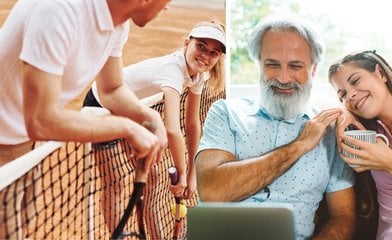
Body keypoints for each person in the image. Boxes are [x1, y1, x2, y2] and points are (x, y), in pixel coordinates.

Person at [0, 0, 170, 239]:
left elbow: (111, 89)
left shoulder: (118, 24)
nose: (167, 7)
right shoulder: (58, 10)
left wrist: (149, 116)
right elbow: (41, 120)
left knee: (23, 224)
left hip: (24, 143)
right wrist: (126, 127)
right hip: (6, 140)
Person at [195, 14, 356, 240]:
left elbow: (344, 216)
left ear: (313, 70)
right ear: (259, 64)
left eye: (295, 66)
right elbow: (212, 191)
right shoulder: (225, 114)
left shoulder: (331, 131)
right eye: (272, 64)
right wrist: (299, 145)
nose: (282, 77)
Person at [83, 20, 226, 238]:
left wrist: (192, 173)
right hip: (102, 106)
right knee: (116, 182)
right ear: (186, 43)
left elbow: (192, 123)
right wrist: (181, 175)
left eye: (214, 52)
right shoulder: (172, 71)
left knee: (152, 177)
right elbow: (172, 130)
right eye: (201, 46)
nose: (206, 55)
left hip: (134, 110)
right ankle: (117, 235)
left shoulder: (199, 74)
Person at [328, 50, 392, 240]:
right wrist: (343, 112)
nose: (351, 96)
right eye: (343, 95)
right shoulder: (372, 132)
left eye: (355, 81)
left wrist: (388, 161)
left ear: (380, 73)